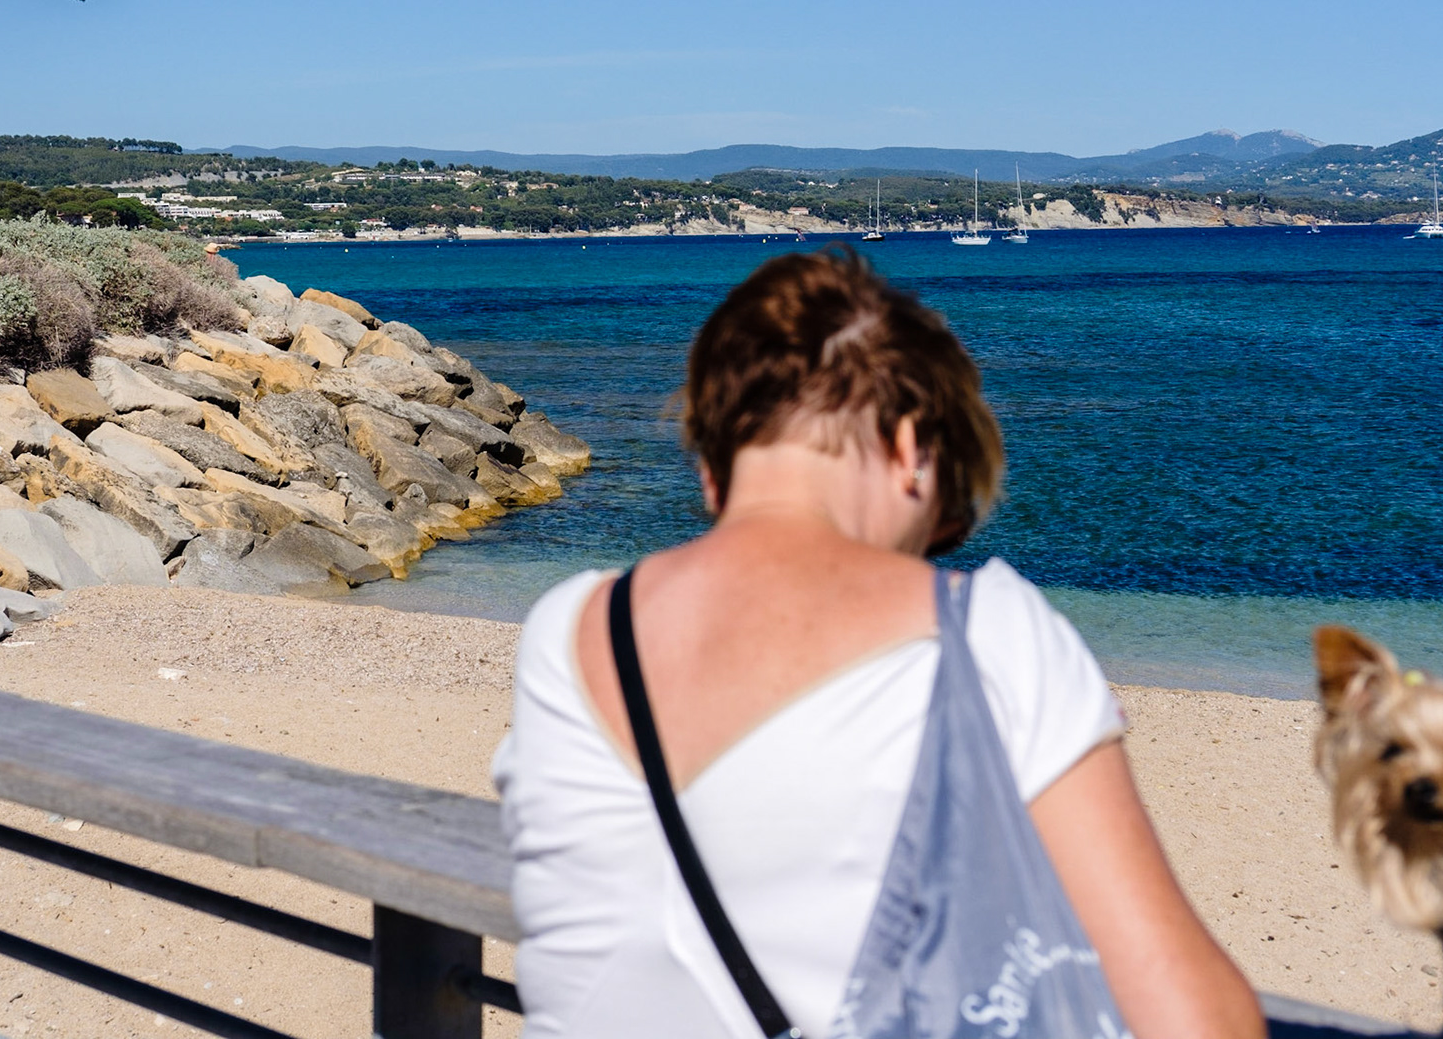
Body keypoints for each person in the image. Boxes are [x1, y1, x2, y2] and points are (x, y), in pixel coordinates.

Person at [492, 249, 1263, 1039]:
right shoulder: (992, 635)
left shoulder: (567, 629)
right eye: (946, 522)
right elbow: (1197, 1018)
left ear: (714, 475)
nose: (932, 550)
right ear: (909, 449)